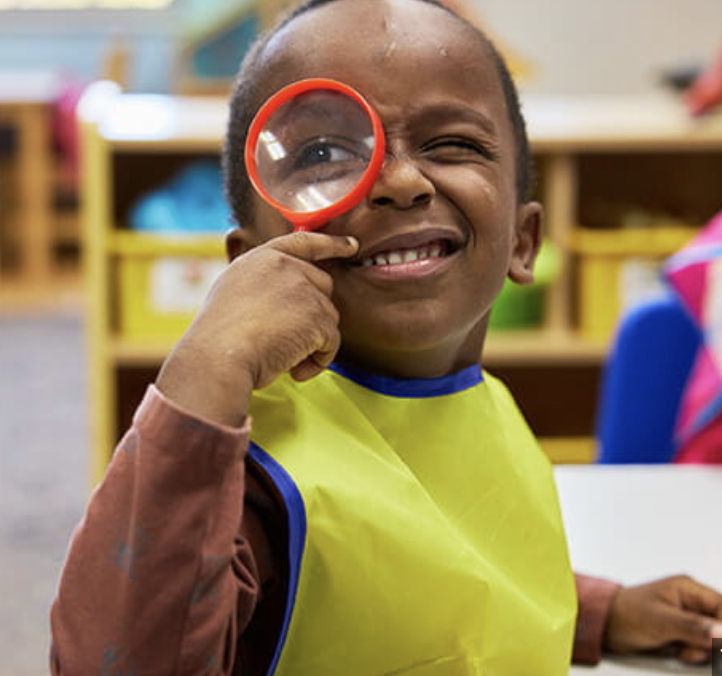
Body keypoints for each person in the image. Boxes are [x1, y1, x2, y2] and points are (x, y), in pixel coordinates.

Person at [50, 0, 722, 674]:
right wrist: (204, 371)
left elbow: (437, 571)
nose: (400, 181)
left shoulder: (484, 403)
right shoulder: (250, 474)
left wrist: (597, 611)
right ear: (250, 264)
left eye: (451, 144)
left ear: (523, 241)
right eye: (323, 154)